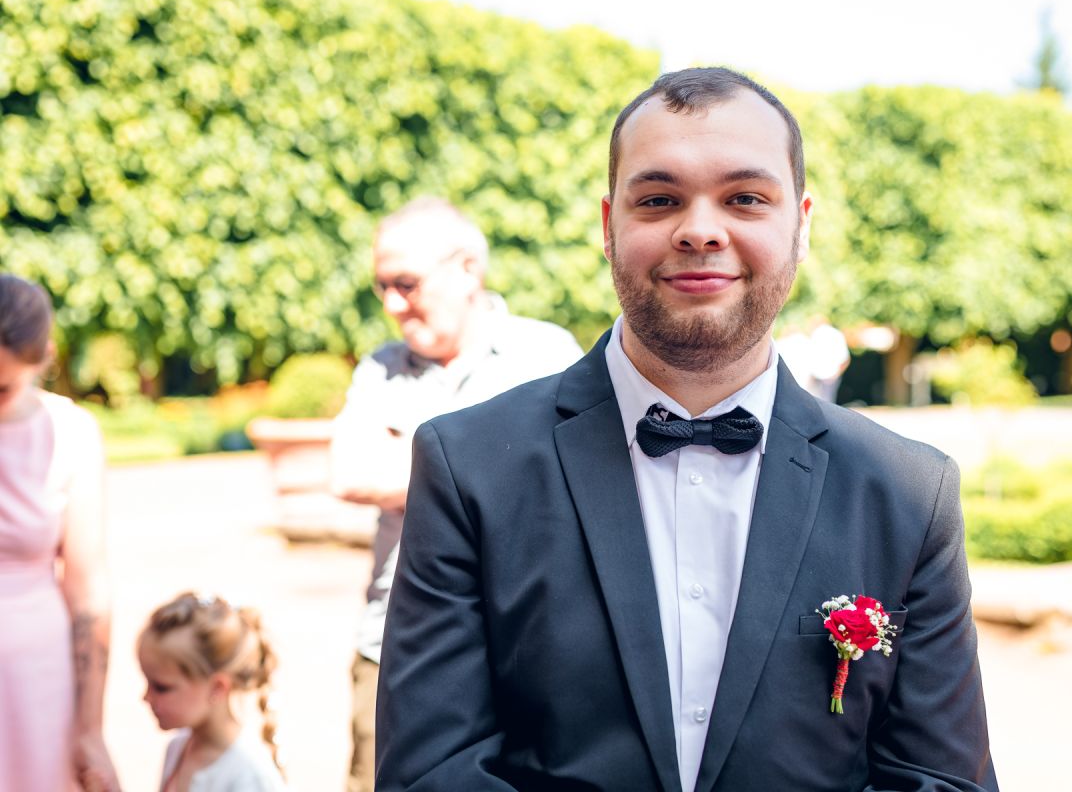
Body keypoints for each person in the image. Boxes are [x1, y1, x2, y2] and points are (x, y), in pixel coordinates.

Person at [375, 68, 998, 791]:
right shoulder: (466, 466)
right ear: (609, 227)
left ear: (801, 226)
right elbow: (431, 774)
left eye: (745, 198)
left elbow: (941, 778)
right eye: (660, 199)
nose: (700, 229)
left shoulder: (910, 493)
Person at [329, 198, 583, 791]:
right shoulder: (380, 368)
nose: (392, 304)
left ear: (468, 268)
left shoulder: (547, 356)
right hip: (395, 648)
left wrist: (415, 456)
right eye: (382, 287)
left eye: (406, 283)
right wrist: (501, 466)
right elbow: (349, 472)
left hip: (530, 652)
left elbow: (579, 488)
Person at [0, 274, 121, 792]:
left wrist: (90, 729)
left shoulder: (73, 432)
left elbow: (88, 588)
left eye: (1, 389)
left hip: (36, 680)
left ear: (44, 359)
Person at [138, 591, 287, 791]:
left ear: (217, 688)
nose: (146, 697)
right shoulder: (177, 749)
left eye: (161, 688)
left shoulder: (250, 778)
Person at [776, 314, 851, 403]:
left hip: (817, 376)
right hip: (826, 376)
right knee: (827, 402)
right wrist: (836, 374)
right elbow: (845, 359)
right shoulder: (835, 334)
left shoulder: (816, 334)